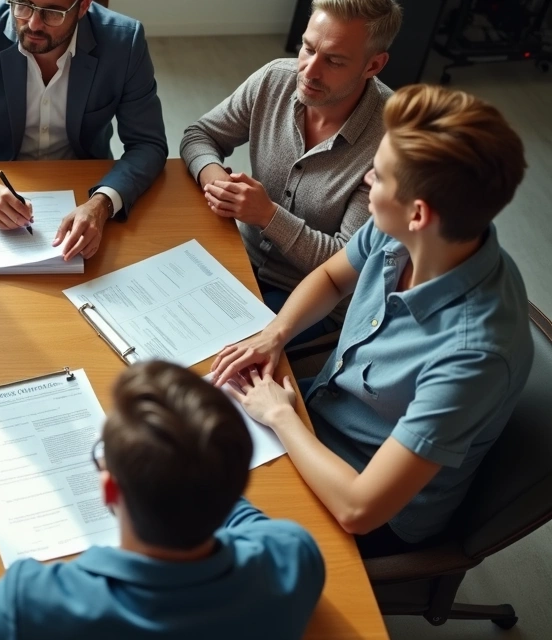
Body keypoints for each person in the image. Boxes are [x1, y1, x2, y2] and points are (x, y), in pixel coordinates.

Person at [211, 84, 533, 559]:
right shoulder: (410, 232)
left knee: (187, 524)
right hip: (316, 415)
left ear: (419, 213)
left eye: (378, 177)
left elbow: (359, 508)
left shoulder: (476, 355)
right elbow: (331, 277)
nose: (364, 181)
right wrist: (273, 335)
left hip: (363, 500)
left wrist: (280, 415)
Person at [0, 361, 325, 639]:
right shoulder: (294, 559)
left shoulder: (36, 605)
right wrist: (198, 458)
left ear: (109, 489)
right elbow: (244, 518)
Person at [180, 0, 402, 344]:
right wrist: (217, 183)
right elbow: (200, 136)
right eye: (308, 48)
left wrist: (268, 215)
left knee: (201, 347)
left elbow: (345, 264)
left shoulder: (391, 143)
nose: (309, 71)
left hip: (314, 301)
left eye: (334, 61)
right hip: (240, 258)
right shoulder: (276, 79)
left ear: (374, 64)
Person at [0, 0, 168, 262]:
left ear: (82, 7)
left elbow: (148, 144)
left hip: (83, 184)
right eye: (23, 4)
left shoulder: (125, 41)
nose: (33, 23)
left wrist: (102, 204)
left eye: (52, 12)